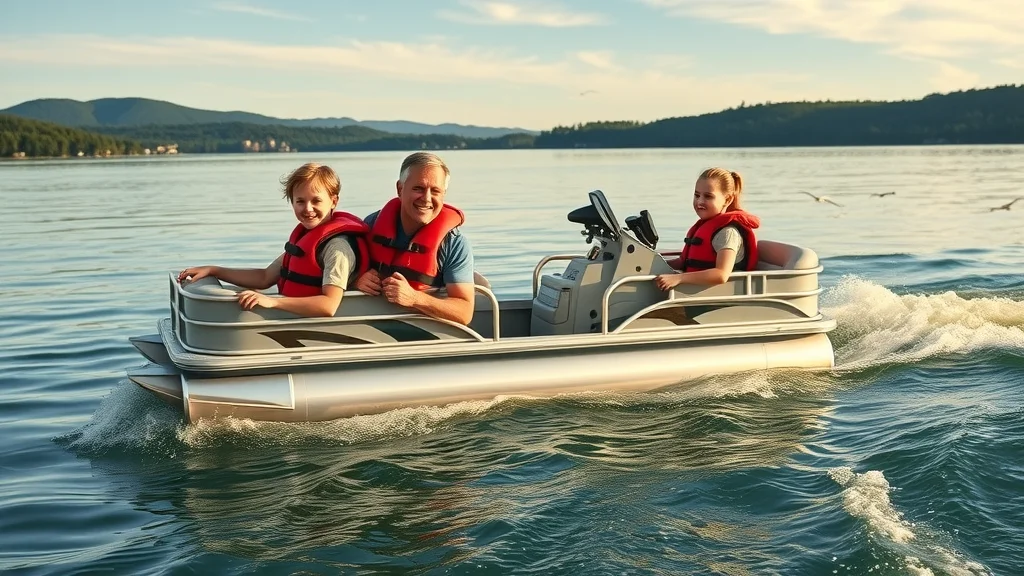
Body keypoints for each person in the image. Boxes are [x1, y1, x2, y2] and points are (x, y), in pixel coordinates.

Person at [177, 162, 369, 317]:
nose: (308, 209)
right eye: (300, 201)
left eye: (316, 200)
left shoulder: (337, 248)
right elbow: (265, 277)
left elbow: (328, 305)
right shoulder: (305, 237)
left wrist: (272, 301)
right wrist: (214, 270)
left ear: (334, 201)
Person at [354, 152, 476, 326]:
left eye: (435, 191)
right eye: (418, 188)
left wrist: (414, 298)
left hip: (425, 336)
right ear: (400, 189)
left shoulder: (455, 244)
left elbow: (464, 311)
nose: (426, 198)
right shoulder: (371, 226)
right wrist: (355, 279)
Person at [654, 167, 760, 291]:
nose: (700, 201)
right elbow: (683, 262)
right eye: (697, 195)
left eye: (708, 197)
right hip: (696, 294)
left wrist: (679, 278)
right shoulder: (704, 226)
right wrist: (651, 267)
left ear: (728, 199)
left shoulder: (727, 233)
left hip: (718, 298)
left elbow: (721, 274)